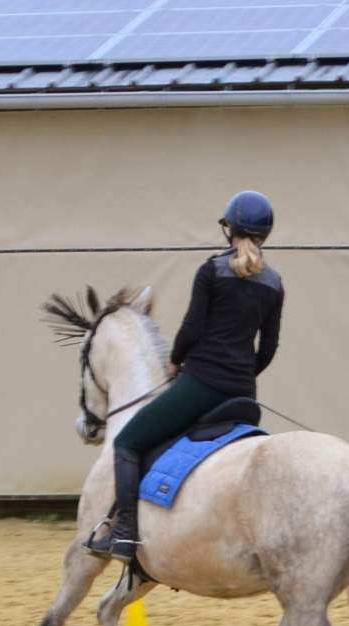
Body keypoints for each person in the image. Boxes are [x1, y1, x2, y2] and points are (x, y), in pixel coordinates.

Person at [86, 190, 285, 563]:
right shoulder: (274, 284)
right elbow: (269, 347)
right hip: (243, 395)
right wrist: (243, 373)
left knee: (128, 441)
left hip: (202, 385)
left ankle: (125, 531)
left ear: (230, 230)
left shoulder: (211, 270)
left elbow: (192, 327)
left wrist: (177, 361)